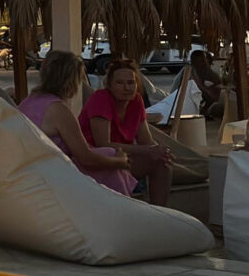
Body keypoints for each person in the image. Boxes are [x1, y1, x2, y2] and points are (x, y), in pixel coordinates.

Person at [18, 50, 144, 192]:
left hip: (31, 170)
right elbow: (86, 158)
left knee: (106, 155)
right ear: (73, 80)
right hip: (49, 177)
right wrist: (119, 162)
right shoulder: (58, 110)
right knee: (108, 155)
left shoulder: (28, 102)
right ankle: (123, 204)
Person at [82, 57, 175, 206]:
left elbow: (146, 141)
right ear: (109, 85)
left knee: (162, 161)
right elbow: (103, 143)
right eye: (120, 83)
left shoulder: (136, 101)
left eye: (131, 82)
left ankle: (159, 212)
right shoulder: (101, 99)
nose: (126, 88)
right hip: (97, 162)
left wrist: (159, 150)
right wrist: (148, 150)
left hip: (122, 160)